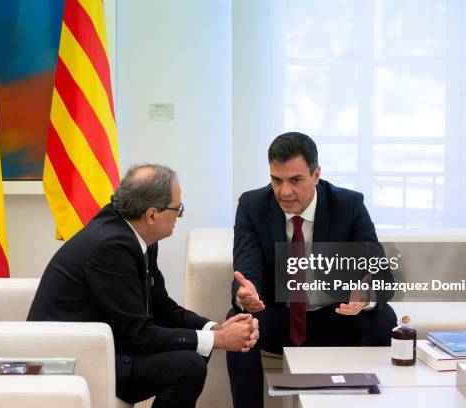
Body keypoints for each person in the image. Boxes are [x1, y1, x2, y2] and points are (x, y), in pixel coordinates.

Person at [28, 164, 259, 408]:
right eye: (177, 208)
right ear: (151, 215)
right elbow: (138, 335)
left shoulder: (139, 234)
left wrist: (214, 328)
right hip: (71, 360)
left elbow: (162, 307)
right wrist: (217, 339)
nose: (180, 215)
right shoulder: (111, 247)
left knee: (196, 351)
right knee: (188, 365)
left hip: (104, 346)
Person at [226, 132, 397, 408]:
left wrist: (363, 295)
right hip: (278, 316)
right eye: (276, 180)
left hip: (336, 315)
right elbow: (247, 269)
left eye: (295, 180)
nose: (285, 192)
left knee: (383, 318)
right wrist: (246, 295)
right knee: (240, 323)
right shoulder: (251, 205)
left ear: (316, 174)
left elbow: (382, 276)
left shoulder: (348, 205)